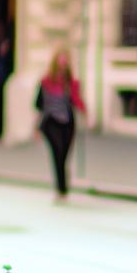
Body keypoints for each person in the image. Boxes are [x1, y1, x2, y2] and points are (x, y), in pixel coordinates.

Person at [34, 48, 87, 201]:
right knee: (57, 152)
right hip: (50, 123)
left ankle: (63, 185)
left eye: (66, 59)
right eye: (61, 59)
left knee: (64, 155)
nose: (63, 63)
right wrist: (36, 127)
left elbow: (76, 101)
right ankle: (61, 189)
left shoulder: (71, 82)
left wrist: (85, 113)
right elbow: (40, 106)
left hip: (67, 123)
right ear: (55, 61)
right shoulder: (46, 81)